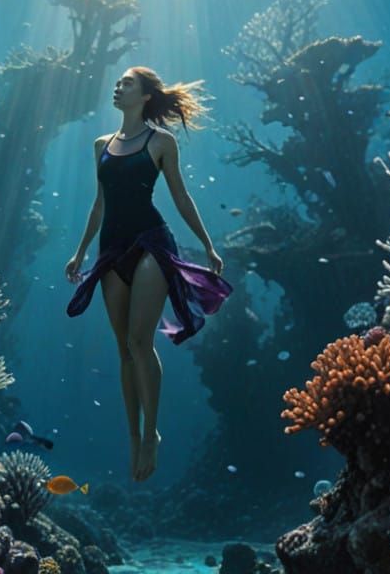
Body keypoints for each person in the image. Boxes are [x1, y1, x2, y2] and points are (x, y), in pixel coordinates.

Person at [65, 66, 233, 482]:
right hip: (110, 249)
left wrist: (208, 243)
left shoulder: (161, 142)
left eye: (127, 83)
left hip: (151, 242)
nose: (118, 87)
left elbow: (180, 194)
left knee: (141, 341)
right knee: (123, 348)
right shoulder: (101, 144)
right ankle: (133, 435)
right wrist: (80, 251)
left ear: (144, 97)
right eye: (118, 82)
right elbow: (99, 204)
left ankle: (151, 434)